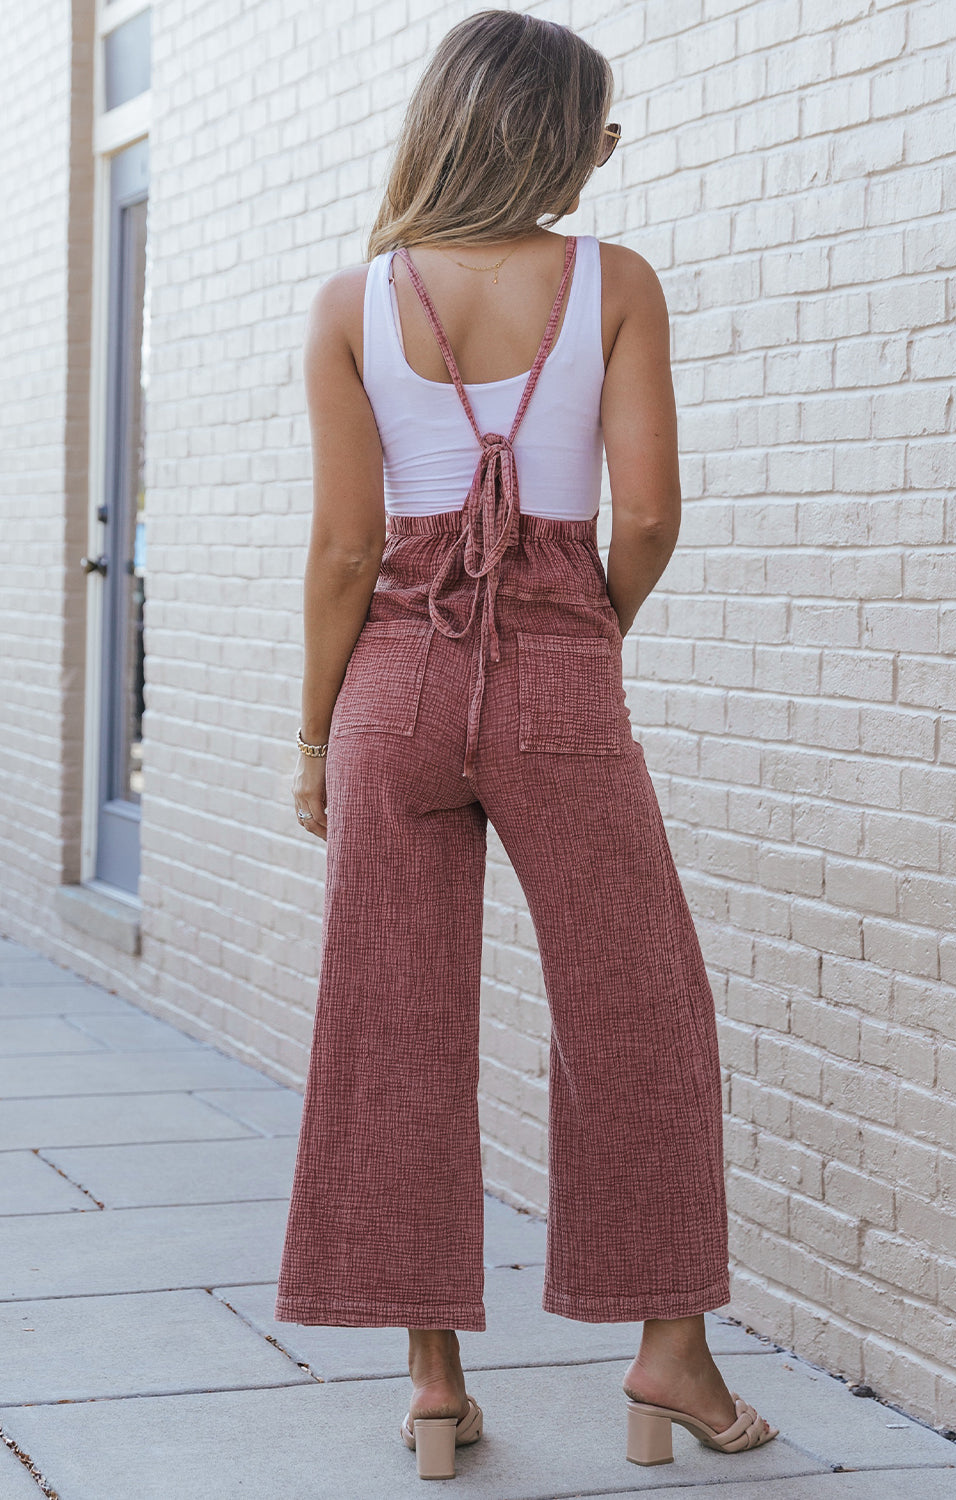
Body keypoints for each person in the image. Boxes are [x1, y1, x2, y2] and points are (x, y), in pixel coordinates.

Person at [274, 7, 776, 1481]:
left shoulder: (351, 300)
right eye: (596, 127)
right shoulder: (613, 281)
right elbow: (651, 515)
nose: (605, 151)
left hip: (391, 684)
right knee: (641, 1007)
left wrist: (313, 738)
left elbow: (342, 548)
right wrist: (581, 630)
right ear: (556, 138)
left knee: (392, 1021)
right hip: (559, 677)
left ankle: (434, 1386)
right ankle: (669, 1356)